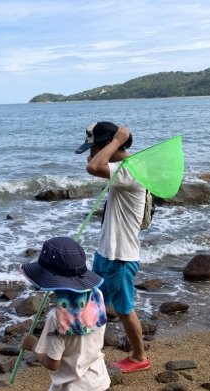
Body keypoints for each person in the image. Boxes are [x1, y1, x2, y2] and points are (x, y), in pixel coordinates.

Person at [20, 236, 113, 391]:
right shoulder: (97, 298)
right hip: (99, 381)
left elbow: (52, 363)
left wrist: (32, 347)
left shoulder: (56, 317)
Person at [76, 122, 150, 373]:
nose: (91, 151)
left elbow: (93, 167)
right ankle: (87, 348)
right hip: (107, 252)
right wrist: (103, 148)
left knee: (123, 308)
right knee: (94, 301)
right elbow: (94, 163)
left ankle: (140, 356)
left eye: (93, 146)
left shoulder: (132, 170)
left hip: (120, 255)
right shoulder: (123, 168)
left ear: (106, 144)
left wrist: (115, 142)